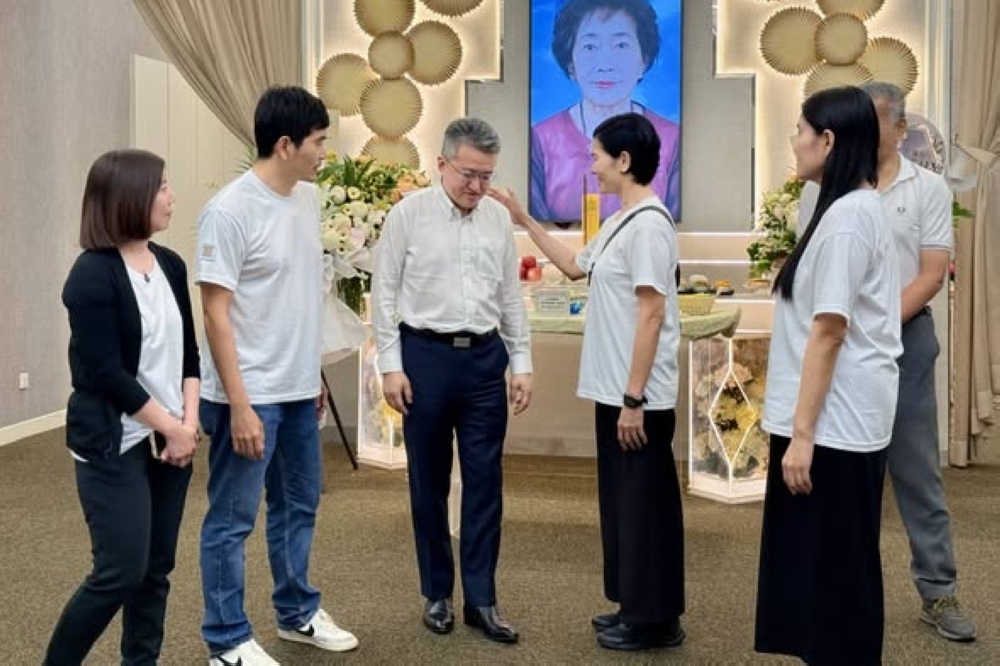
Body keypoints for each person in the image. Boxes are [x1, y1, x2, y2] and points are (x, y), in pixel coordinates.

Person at [492, 112, 685, 652]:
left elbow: (651, 315)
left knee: (645, 509)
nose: (591, 164)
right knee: (625, 505)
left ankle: (654, 620)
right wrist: (523, 217)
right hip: (615, 390)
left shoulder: (649, 225)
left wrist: (633, 400)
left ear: (625, 161)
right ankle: (636, 606)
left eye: (597, 155)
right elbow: (576, 266)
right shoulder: (625, 220)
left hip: (636, 396)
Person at [796, 82, 976, 642]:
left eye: (878, 122)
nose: (868, 132)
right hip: (834, 343)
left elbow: (931, 273)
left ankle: (938, 591)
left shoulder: (926, 189)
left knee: (916, 471)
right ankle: (838, 589)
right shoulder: (820, 188)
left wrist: (868, 326)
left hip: (904, 341)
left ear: (902, 129)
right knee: (841, 476)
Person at [196, 86, 357, 666]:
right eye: (318, 143)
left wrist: (311, 371)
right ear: (285, 144)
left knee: (299, 504)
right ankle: (227, 639)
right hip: (249, 394)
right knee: (233, 519)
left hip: (294, 388)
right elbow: (215, 313)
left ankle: (296, 613)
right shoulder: (230, 210)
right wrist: (238, 405)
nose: (323, 154)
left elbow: (301, 296)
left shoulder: (307, 200)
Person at [754, 86, 902, 665]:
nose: (793, 142)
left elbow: (830, 332)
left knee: (839, 573)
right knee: (823, 571)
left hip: (834, 427)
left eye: (799, 130)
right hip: (834, 420)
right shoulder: (841, 210)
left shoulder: (846, 220)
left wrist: (803, 436)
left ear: (829, 140)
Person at [370, 118, 533, 644]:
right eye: (468, 174)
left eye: (487, 176)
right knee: (429, 482)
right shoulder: (407, 216)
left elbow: (510, 297)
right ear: (441, 164)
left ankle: (481, 599)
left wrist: (522, 362)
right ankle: (437, 592)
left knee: (486, 483)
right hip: (425, 358)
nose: (478, 187)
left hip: (485, 360)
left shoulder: (495, 222)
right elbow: (384, 295)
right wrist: (390, 365)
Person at [44, 149, 200, 665]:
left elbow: (190, 355)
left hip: (171, 436)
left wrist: (188, 423)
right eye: (162, 188)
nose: (171, 197)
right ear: (130, 197)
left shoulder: (171, 265)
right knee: (119, 572)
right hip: (114, 441)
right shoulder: (90, 275)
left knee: (156, 571)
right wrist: (170, 427)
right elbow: (106, 373)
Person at [530, 0, 681, 223]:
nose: (605, 64)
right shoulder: (542, 138)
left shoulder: (670, 138)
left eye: (621, 46)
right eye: (590, 47)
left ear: (644, 60)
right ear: (571, 63)